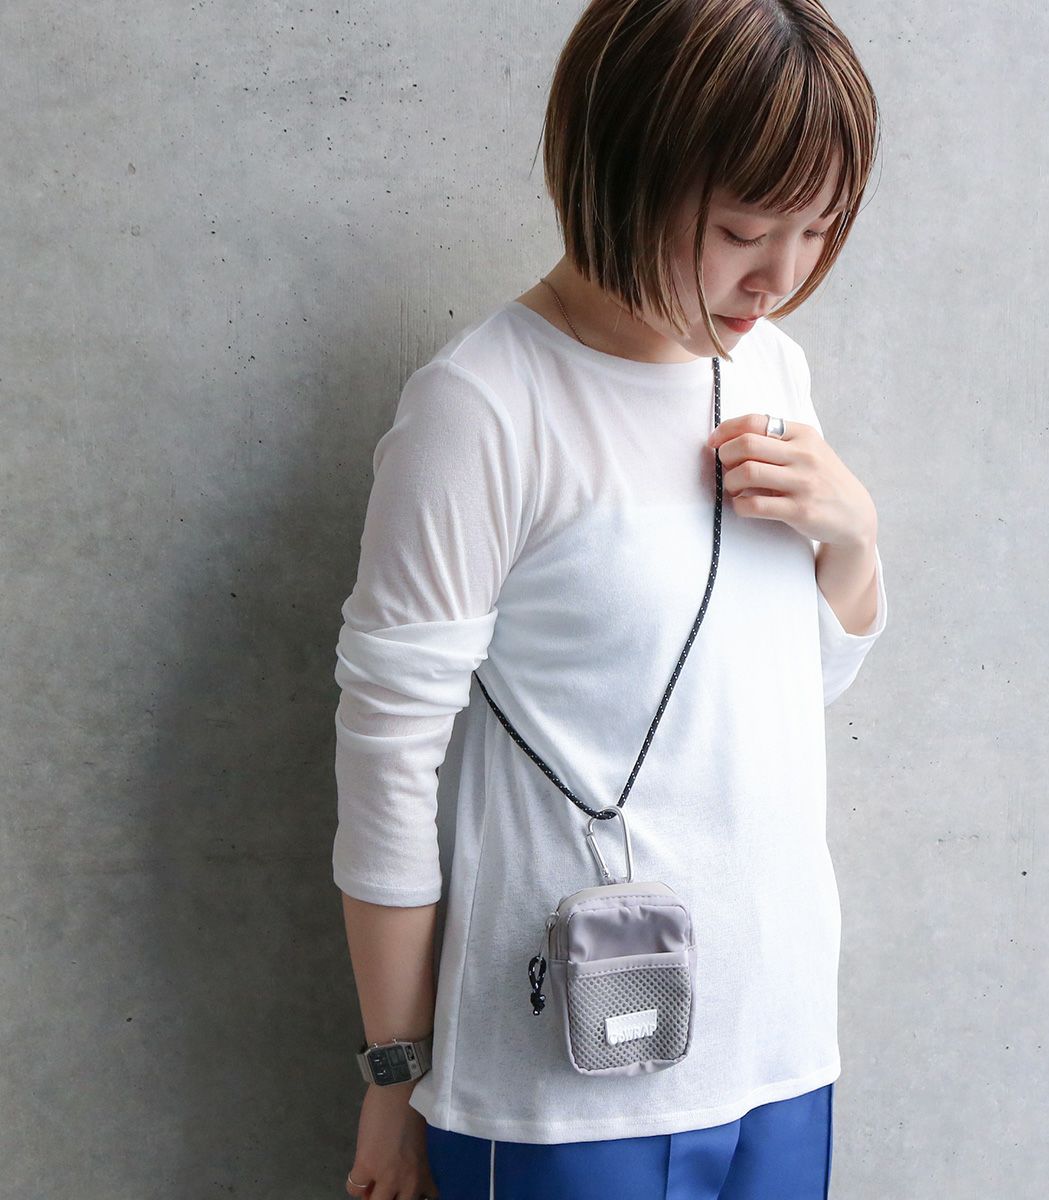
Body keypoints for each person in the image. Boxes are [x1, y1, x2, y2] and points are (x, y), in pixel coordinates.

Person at [333, 1, 888, 1196]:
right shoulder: (482, 409)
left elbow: (781, 697)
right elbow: (386, 764)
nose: (781, 278)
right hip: (561, 1084)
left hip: (778, 1044)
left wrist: (853, 536)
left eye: (817, 229)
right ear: (623, 174)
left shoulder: (769, 367)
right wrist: (395, 1075)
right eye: (744, 230)